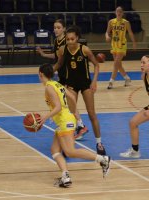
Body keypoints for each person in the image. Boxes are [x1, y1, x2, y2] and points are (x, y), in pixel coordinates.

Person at [37, 63, 111, 187]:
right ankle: (65, 177)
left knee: (70, 151)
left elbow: (58, 107)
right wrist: (74, 115)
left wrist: (44, 118)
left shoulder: (49, 87)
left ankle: (103, 160)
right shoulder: (57, 84)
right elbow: (71, 97)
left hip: (64, 121)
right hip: (65, 119)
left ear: (40, 74)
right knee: (55, 150)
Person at [55, 26, 106, 155]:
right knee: (70, 115)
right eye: (68, 39)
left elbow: (96, 65)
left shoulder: (85, 50)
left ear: (77, 38)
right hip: (71, 85)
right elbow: (59, 65)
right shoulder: (62, 50)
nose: (70, 41)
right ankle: (69, 146)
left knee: (91, 114)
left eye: (72, 39)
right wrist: (47, 71)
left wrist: (94, 81)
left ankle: (99, 143)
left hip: (86, 85)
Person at [37, 19, 89, 140]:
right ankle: (77, 125)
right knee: (65, 101)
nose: (56, 29)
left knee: (66, 102)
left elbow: (63, 61)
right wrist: (44, 55)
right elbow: (56, 57)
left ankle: (78, 125)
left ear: (64, 29)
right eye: (54, 27)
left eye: (59, 27)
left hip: (67, 75)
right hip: (59, 74)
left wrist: (51, 71)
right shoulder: (56, 41)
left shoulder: (68, 41)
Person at [105, 6, 137, 89]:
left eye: (120, 11)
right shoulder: (111, 22)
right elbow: (107, 32)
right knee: (118, 65)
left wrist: (134, 42)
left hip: (122, 45)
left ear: (122, 13)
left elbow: (130, 33)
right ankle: (127, 78)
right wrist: (107, 36)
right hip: (114, 44)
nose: (118, 13)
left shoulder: (126, 22)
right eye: (117, 11)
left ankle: (111, 82)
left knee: (116, 63)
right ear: (115, 12)